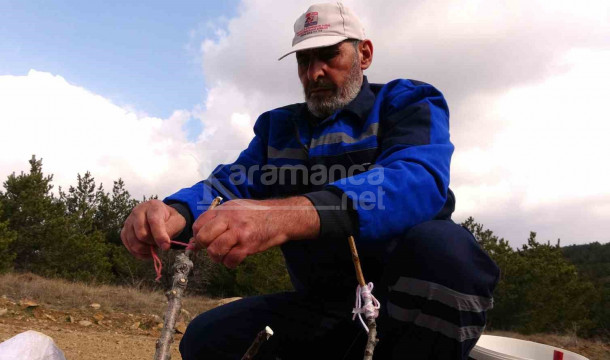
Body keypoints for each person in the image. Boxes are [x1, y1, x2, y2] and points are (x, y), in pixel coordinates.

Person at [120, 3, 499, 359]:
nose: (314, 72)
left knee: (447, 252)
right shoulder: (280, 128)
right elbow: (228, 185)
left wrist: (284, 216)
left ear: (364, 54)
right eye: (304, 60)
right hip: (325, 308)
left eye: (330, 55)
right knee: (207, 340)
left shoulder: (408, 102)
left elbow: (417, 179)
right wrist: (174, 211)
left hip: (406, 307)